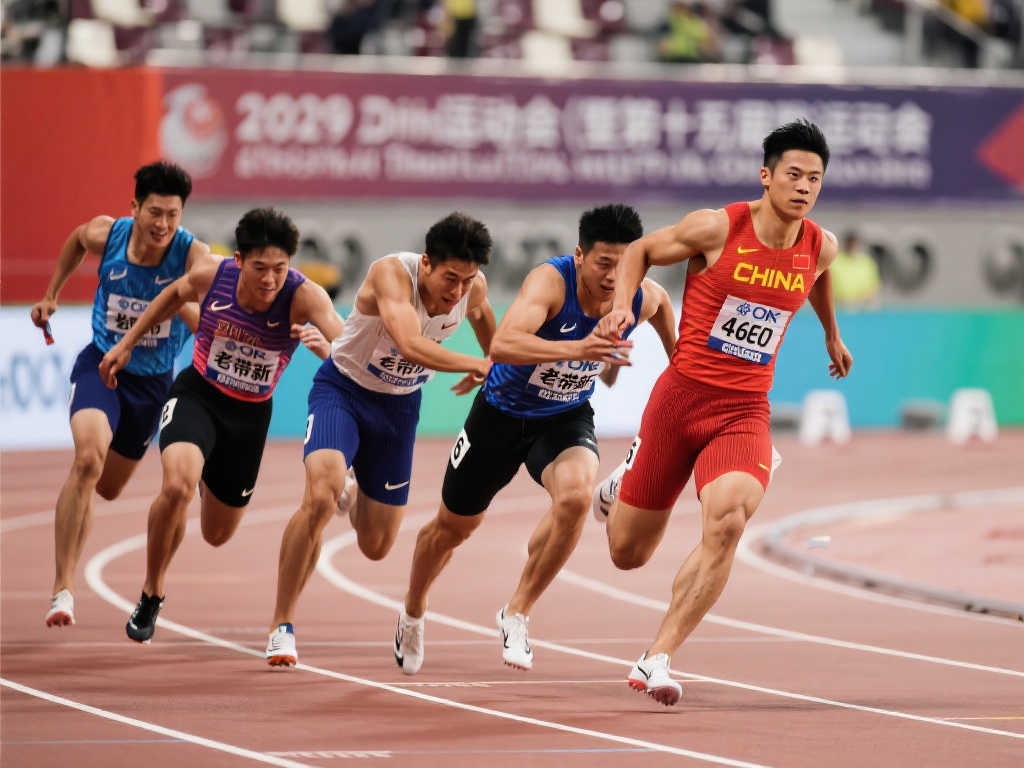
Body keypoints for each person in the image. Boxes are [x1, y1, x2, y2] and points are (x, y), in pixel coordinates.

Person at [592, 120, 853, 706]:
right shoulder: (718, 227)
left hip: (744, 410)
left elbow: (819, 277)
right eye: (793, 174)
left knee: (729, 521)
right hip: (681, 400)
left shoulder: (820, 244)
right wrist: (618, 310)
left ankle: (655, 657)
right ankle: (625, 480)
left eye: (815, 178)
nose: (804, 186)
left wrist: (831, 335)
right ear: (766, 176)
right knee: (626, 554)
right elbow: (640, 250)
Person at [393, 204, 677, 676]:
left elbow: (664, 304)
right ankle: (414, 608)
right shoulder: (551, 282)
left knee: (575, 499)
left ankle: (517, 612)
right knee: (452, 528)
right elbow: (503, 344)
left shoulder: (638, 296)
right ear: (580, 256)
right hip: (500, 417)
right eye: (603, 264)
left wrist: (679, 362)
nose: (612, 277)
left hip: (564, 418)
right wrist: (579, 349)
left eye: (623, 266)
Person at [99, 207, 342, 643]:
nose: (270, 280)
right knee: (176, 487)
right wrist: (126, 344)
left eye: (280, 269)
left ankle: (206, 472)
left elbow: (347, 352)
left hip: (248, 419)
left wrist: (328, 350)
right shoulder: (214, 275)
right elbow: (172, 296)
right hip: (198, 396)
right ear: (239, 260)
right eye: (260, 268)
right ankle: (152, 592)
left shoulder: (307, 298)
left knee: (216, 534)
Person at [265, 212, 495, 667]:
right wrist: (476, 365)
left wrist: (494, 360)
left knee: (376, 545)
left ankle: (351, 491)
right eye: (450, 278)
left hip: (398, 408)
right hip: (344, 393)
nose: (456, 291)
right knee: (319, 497)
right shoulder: (391, 274)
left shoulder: (473, 289)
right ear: (427, 263)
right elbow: (409, 344)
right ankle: (281, 626)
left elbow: (485, 320)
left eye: (466, 281)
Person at [30, 161, 212, 628]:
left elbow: (205, 305)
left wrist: (200, 323)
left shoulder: (192, 254)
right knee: (87, 461)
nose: (163, 225)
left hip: (151, 386)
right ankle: (63, 588)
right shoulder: (107, 235)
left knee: (109, 487)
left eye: (173, 215)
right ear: (134, 207)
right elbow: (74, 240)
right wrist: (52, 292)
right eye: (154, 213)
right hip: (101, 365)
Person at [831, 231, 881, 310]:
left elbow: (874, 287)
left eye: (855, 244)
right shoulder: (833, 261)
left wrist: (861, 301)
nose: (853, 246)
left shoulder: (867, 262)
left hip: (862, 307)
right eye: (850, 243)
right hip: (838, 307)